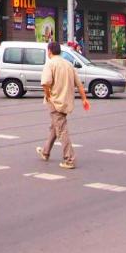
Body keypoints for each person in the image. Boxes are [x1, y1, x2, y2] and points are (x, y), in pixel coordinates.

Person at [36, 41, 89, 170]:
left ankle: (69, 159)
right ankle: (45, 152)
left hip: (55, 102)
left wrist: (48, 96)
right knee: (55, 127)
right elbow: (79, 85)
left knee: (61, 130)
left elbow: (45, 83)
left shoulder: (51, 64)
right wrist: (84, 99)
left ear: (49, 51)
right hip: (66, 102)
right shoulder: (68, 64)